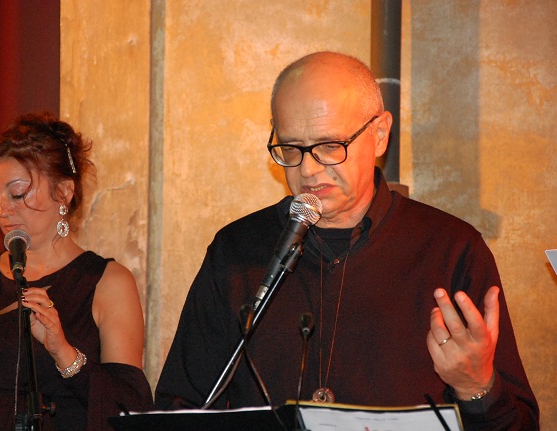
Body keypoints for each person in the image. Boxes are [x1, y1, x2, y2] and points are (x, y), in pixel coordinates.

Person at [155, 52, 539, 430]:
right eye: (291, 148)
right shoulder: (237, 249)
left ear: (380, 134)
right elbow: (179, 407)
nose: (308, 169)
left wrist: (476, 388)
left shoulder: (452, 251)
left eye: (329, 146)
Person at [0, 112, 153, 430]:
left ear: (63, 192)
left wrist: (63, 352)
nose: (3, 210)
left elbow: (129, 407)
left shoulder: (108, 282)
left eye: (18, 193)